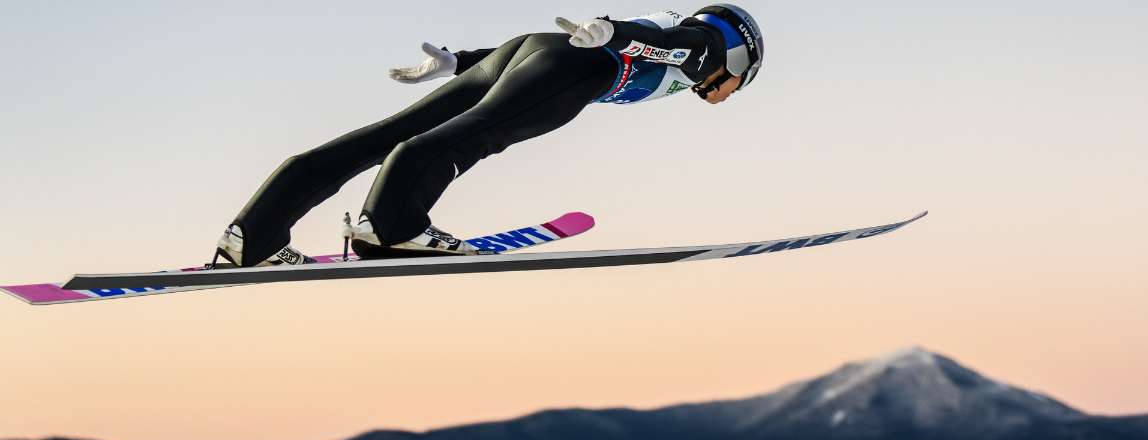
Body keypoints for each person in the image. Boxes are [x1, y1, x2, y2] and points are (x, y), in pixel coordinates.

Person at [214, 4, 765, 267]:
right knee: (472, 135)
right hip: (580, 68)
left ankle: (253, 235)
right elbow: (657, 40)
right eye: (743, 80)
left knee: (387, 134)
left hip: (530, 50)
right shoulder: (704, 48)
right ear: (739, 54)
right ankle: (389, 228)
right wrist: (619, 33)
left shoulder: (687, 40)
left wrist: (462, 63)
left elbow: (651, 35)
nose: (732, 90)